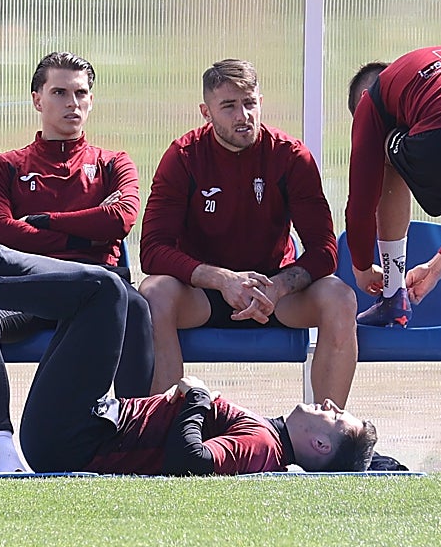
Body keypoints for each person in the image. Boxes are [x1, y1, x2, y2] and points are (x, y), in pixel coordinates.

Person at [0, 165, 379, 475]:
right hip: (89, 426)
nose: (332, 406)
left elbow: (191, 463)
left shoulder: (265, 445)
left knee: (102, 290)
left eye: (339, 420)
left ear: (319, 447)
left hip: (77, 440)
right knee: (124, 295)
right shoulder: (267, 433)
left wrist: (198, 398)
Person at [0, 52, 154, 472]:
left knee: (138, 305)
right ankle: (4, 450)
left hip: (98, 294)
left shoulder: (112, 162)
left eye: (81, 93)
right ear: (37, 99)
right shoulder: (5, 166)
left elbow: (121, 219)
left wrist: (44, 222)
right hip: (33, 290)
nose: (72, 103)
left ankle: (130, 435)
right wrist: (86, 229)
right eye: (59, 92)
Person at [138, 59, 358, 406]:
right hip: (204, 294)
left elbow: (324, 250)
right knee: (153, 293)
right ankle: (158, 439)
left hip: (273, 295)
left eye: (250, 103)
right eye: (229, 106)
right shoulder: (183, 156)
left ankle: (327, 436)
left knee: (340, 297)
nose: (243, 116)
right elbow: (152, 250)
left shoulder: (290, 156)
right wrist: (223, 280)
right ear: (206, 112)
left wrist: (280, 285)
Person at [344, 47, 441, 464]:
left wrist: (362, 267)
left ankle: (393, 293)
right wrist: (438, 266)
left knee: (385, 154)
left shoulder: (374, 100)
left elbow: (361, 198)